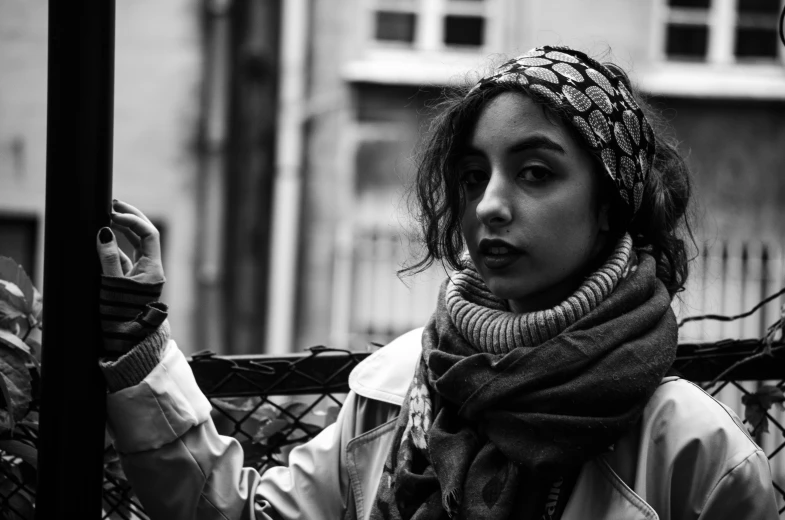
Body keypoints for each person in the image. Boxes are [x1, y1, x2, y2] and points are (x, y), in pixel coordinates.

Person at [96, 45, 779, 520]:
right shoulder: (396, 392)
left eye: (535, 172)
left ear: (608, 206)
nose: (488, 205)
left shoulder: (691, 450)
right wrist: (139, 343)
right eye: (473, 176)